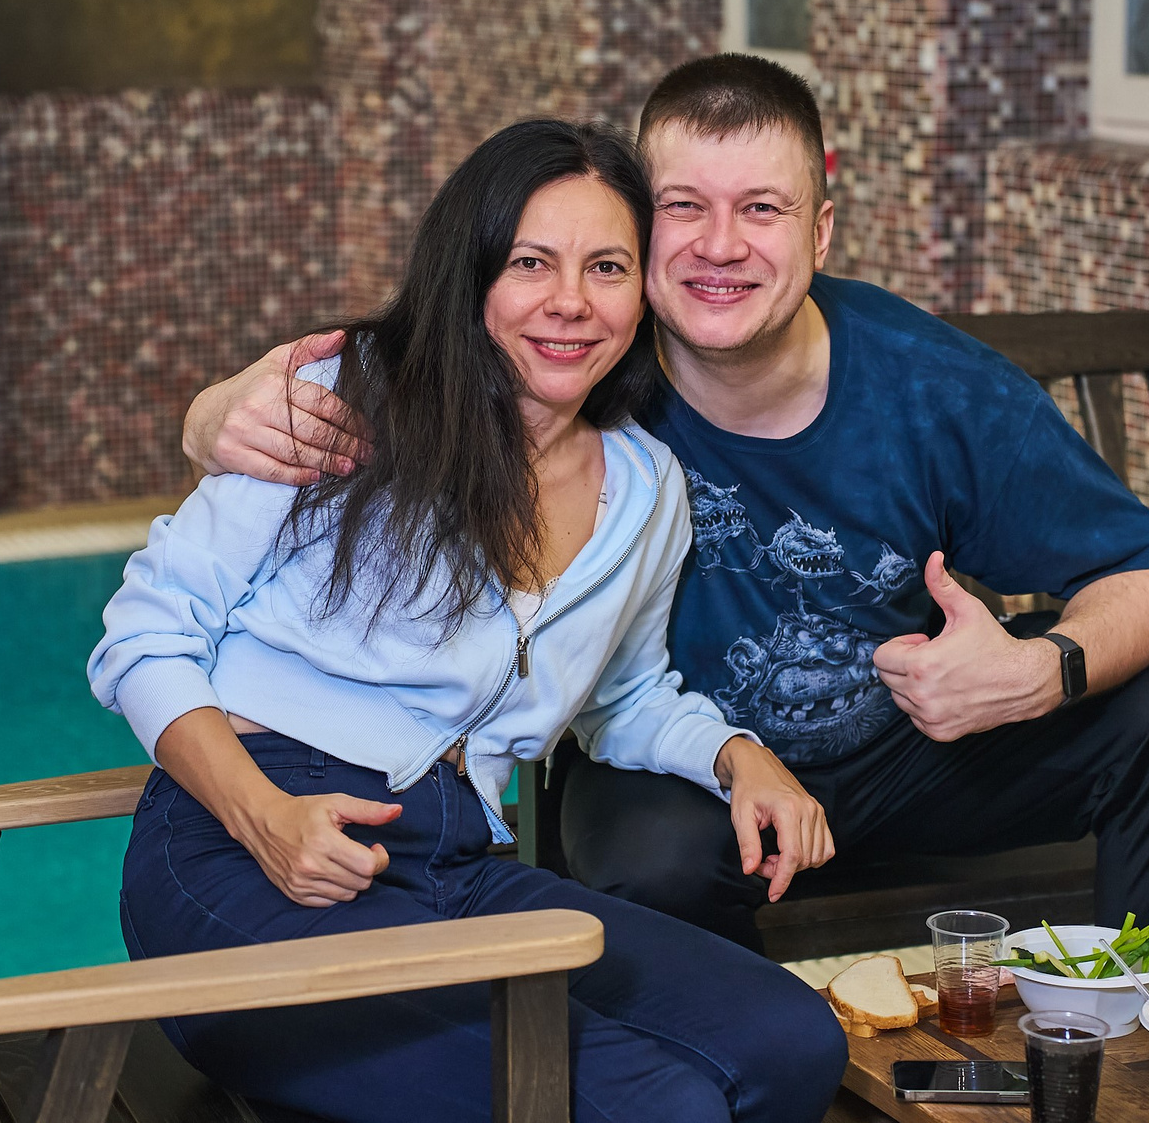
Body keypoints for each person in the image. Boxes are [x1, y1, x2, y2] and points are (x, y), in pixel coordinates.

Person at [184, 56, 1149, 952]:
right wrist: (212, 416)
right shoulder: (578, 367)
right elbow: (423, 360)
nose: (720, 245)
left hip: (913, 750)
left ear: (821, 233)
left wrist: (1039, 671)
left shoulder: (937, 389)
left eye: (762, 208)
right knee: (647, 864)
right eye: (683, 207)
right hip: (680, 767)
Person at [90, 118, 846, 1123]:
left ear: (644, 290)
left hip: (455, 861)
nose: (571, 301)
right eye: (531, 262)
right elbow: (144, 633)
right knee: (657, 1103)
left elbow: (623, 698)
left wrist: (738, 756)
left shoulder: (643, 484)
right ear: (472, 272)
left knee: (793, 1042)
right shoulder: (341, 403)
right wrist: (261, 815)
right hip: (252, 855)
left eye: (607, 266)